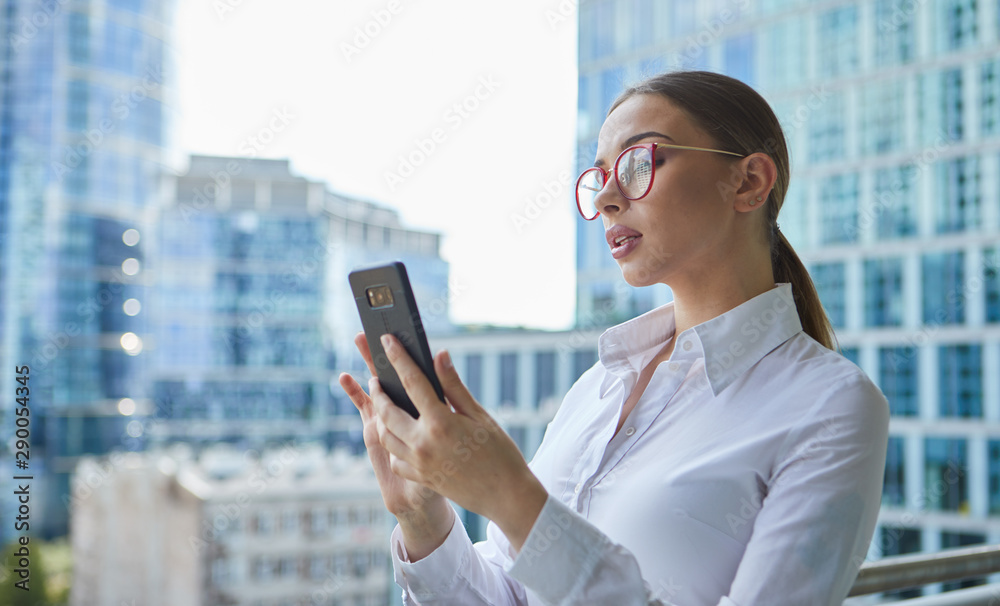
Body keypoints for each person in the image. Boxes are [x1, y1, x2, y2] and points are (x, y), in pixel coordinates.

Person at [338, 70, 889, 606]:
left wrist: (512, 498)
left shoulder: (831, 406)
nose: (606, 199)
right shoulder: (598, 387)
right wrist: (424, 519)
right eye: (599, 176)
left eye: (639, 162)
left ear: (748, 182)